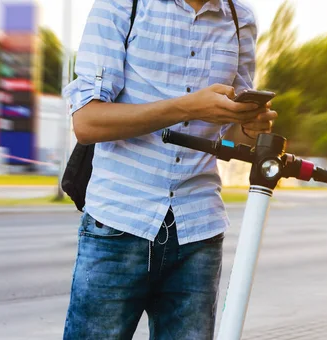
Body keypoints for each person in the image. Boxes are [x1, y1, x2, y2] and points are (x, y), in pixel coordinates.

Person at [61, 0, 277, 339]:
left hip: (198, 230)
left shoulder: (240, 18)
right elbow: (88, 122)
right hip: (118, 223)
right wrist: (186, 107)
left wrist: (248, 125)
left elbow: (229, 132)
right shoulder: (121, 6)